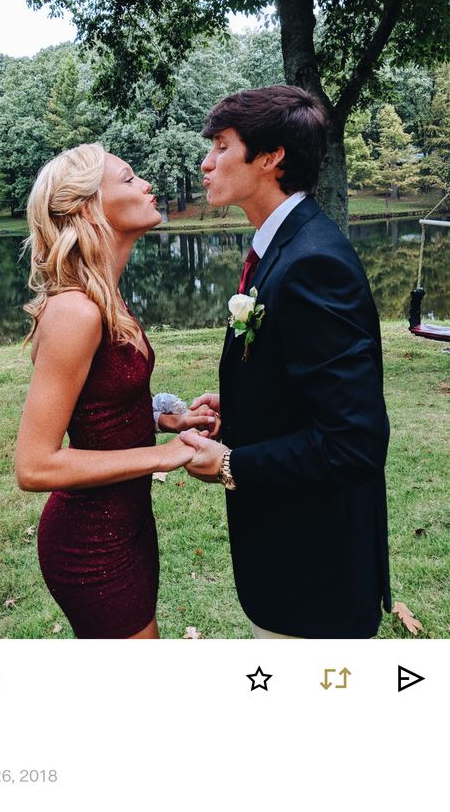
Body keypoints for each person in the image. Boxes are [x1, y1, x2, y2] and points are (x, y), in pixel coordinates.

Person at [181, 86, 391, 639]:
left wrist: (231, 463)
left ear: (271, 158)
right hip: (289, 560)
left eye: (222, 146)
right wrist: (249, 402)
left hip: (314, 577)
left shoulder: (314, 263)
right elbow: (310, 383)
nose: (206, 163)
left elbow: (354, 443)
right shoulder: (281, 247)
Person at [14, 143, 218, 639]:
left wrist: (160, 417)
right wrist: (161, 455)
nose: (146, 185)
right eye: (128, 179)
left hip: (130, 525)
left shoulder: (107, 297)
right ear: (87, 207)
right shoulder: (75, 311)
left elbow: (96, 405)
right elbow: (34, 465)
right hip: (89, 544)